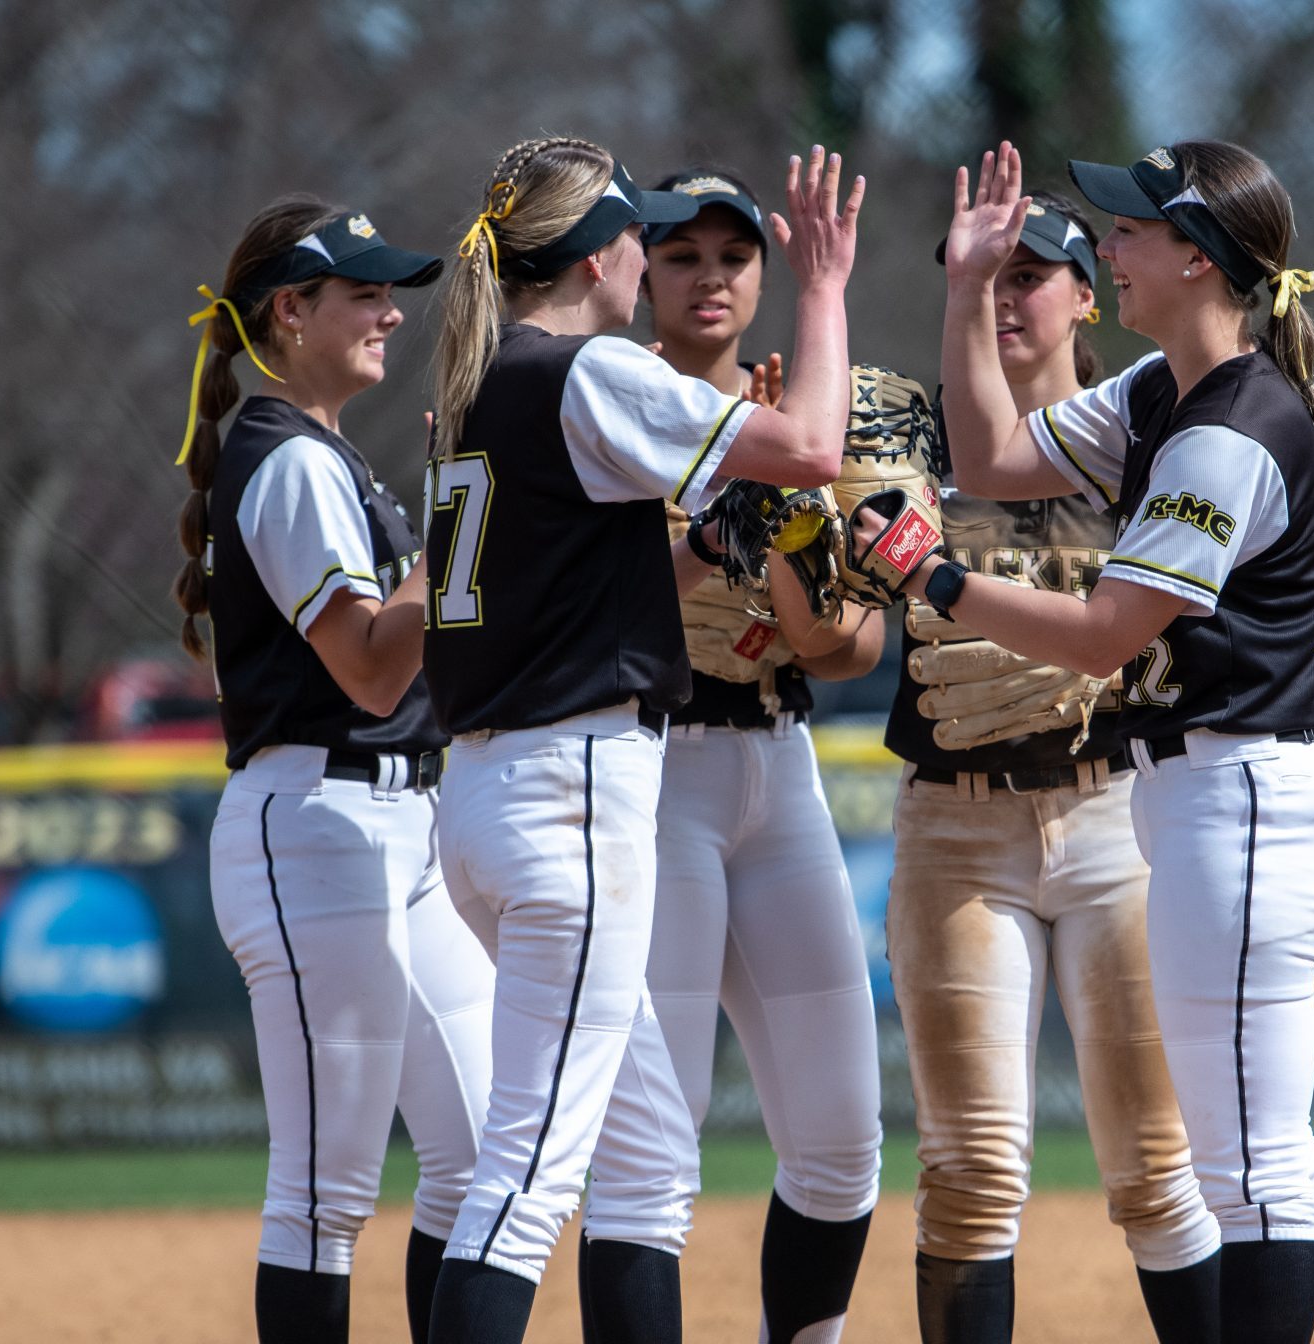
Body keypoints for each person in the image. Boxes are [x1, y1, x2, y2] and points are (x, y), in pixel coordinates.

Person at [880, 140, 1314, 1344]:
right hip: (1215, 804)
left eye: (1129, 231)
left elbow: (1101, 633)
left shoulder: (1224, 432)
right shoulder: (1157, 395)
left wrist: (936, 581)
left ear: (1196, 257)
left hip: (1241, 803)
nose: (1109, 248)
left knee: (1247, 1179)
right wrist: (966, 292)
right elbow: (985, 458)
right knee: (1265, 1150)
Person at [418, 138, 863, 1344]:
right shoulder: (583, 371)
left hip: (488, 793)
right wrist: (821, 284)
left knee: (648, 1160)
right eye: (636, 237)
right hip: (571, 795)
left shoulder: (478, 383)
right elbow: (813, 448)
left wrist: (704, 546)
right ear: (597, 256)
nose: (647, 258)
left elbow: (557, 578)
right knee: (523, 1183)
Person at [173, 195, 491, 1344]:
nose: (391, 313)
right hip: (315, 826)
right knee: (325, 1193)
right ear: (289, 311)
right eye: (362, 291)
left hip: (393, 830)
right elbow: (363, 670)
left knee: (473, 1157)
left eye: (390, 290)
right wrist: (457, 534)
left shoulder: (324, 456)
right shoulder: (286, 459)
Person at [573, 165, 882, 1344]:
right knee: (654, 1145)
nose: (708, 278)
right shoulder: (607, 396)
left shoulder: (799, 421)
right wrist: (713, 534)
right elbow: (583, 611)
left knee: (844, 1140)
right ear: (635, 268)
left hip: (779, 764)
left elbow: (839, 646)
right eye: (681, 255)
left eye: (733, 257)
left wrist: (792, 515)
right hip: (656, 772)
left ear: (765, 275)